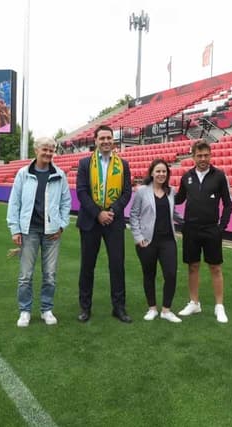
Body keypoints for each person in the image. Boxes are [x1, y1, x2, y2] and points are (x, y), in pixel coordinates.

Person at [7, 137, 71, 327]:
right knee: (25, 275)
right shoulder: (23, 174)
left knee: (50, 274)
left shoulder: (59, 174)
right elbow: (14, 202)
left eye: (52, 150)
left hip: (52, 232)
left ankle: (46, 309)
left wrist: (61, 225)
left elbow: (66, 202)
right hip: (29, 230)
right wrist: (15, 228)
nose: (48, 153)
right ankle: (25, 310)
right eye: (45, 149)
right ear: (36, 150)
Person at [76, 125, 132, 323]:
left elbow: (127, 193)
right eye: (102, 138)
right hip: (90, 221)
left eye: (109, 138)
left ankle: (119, 307)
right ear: (96, 140)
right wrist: (98, 213)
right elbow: (81, 192)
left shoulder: (123, 164)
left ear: (113, 141)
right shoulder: (84, 163)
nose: (106, 141)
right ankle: (85, 307)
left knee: (117, 265)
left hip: (114, 221)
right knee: (87, 266)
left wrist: (112, 212)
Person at [174, 140, 232, 323]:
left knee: (215, 267)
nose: (203, 159)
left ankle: (219, 306)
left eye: (206, 155)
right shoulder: (187, 177)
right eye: (199, 155)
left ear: (210, 155)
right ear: (193, 157)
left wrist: (221, 227)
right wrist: (161, 192)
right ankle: (194, 303)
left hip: (211, 230)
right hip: (191, 229)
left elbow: (228, 203)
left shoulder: (219, 176)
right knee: (193, 267)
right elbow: (179, 199)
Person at [129, 159, 183, 323]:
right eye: (158, 171)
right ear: (151, 173)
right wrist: (138, 238)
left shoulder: (171, 191)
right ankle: (152, 308)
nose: (161, 174)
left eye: (164, 172)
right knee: (149, 274)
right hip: (147, 241)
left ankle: (166, 310)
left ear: (167, 174)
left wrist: (187, 222)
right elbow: (133, 214)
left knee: (171, 274)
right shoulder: (142, 191)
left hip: (168, 241)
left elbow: (172, 213)